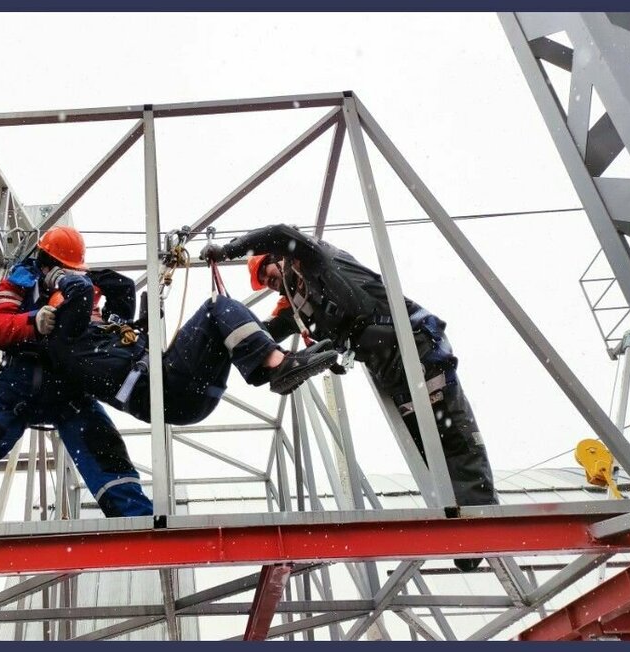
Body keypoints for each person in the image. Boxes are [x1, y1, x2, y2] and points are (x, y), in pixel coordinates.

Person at [201, 224, 497, 572]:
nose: (271, 284)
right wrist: (214, 339)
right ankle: (462, 533)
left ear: (279, 259)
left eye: (267, 275)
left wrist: (230, 250)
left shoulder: (313, 260)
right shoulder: (298, 306)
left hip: (416, 351)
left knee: (458, 443)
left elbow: (281, 232)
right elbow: (264, 334)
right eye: (265, 285)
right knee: (430, 452)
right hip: (395, 374)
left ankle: (485, 528)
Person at [0, 226, 153, 526]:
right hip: (18, 385)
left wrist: (113, 311)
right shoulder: (18, 282)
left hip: (71, 389)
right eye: (63, 268)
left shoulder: (85, 289)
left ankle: (139, 525)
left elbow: (101, 334)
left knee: (106, 451)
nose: (66, 275)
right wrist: (33, 322)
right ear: (45, 263)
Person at [43, 269, 338, 426]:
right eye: (92, 309)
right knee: (214, 308)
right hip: (164, 390)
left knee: (226, 312)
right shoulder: (70, 344)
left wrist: (85, 273)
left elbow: (120, 286)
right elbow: (80, 295)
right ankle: (277, 365)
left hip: (183, 389)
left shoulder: (107, 327)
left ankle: (275, 362)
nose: (98, 311)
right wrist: (59, 277)